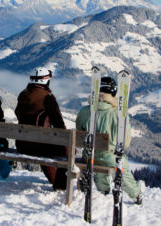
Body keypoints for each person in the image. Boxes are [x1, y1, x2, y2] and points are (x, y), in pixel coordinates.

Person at [76, 76, 143, 204]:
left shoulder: (84, 111)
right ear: (113, 92)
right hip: (110, 158)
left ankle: (104, 192)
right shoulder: (118, 114)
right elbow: (125, 142)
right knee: (120, 165)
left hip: (89, 157)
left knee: (99, 159)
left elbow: (80, 134)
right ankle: (136, 194)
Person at [15, 67, 68, 190]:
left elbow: (18, 113)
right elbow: (58, 123)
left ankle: (54, 180)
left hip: (22, 144)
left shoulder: (23, 94)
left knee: (44, 146)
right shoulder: (47, 97)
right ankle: (60, 186)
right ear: (46, 81)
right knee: (67, 150)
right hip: (39, 145)